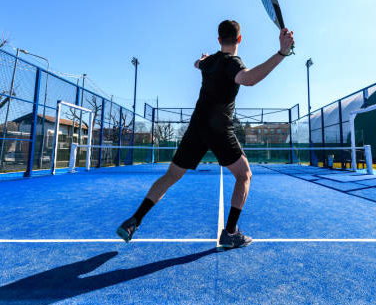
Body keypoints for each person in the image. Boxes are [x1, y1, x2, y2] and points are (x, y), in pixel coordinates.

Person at [117, 20, 294, 248]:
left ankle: (134, 220)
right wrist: (282, 52)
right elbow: (248, 79)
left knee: (171, 176)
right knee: (244, 175)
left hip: (197, 127)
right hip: (219, 129)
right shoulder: (233, 63)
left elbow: (197, 63)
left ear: (219, 40)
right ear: (240, 39)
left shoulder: (208, 62)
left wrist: (203, 59)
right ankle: (230, 232)